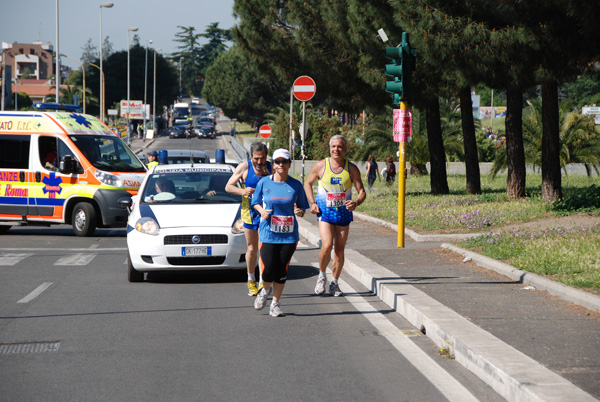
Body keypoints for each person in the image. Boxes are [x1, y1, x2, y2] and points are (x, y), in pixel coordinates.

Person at [304, 135, 366, 297]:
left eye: (339, 147)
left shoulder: (351, 169)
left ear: (345, 150)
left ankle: (335, 283)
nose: (336, 149)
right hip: (325, 212)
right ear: (329, 149)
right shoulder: (320, 166)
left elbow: (362, 192)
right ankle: (322, 276)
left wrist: (356, 203)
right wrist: (312, 202)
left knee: (339, 250)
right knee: (327, 245)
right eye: (333, 147)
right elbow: (307, 183)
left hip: (344, 214)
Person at [251, 148, 309, 317]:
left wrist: (300, 212)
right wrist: (261, 211)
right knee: (269, 268)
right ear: (273, 164)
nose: (281, 164)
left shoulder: (296, 185)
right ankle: (264, 291)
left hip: (289, 235)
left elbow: (301, 207)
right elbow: (255, 203)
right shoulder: (264, 183)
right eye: (277, 161)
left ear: (289, 164)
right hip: (268, 232)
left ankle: (275, 304)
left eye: (284, 161)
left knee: (282, 270)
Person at [225, 142, 272, 296]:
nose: (259, 162)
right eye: (256, 158)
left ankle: (261, 282)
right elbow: (228, 187)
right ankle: (250, 279)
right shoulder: (244, 167)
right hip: (249, 212)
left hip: (266, 212)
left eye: (262, 158)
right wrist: (243, 191)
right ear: (251, 156)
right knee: (252, 248)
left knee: (264, 248)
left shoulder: (271, 167)